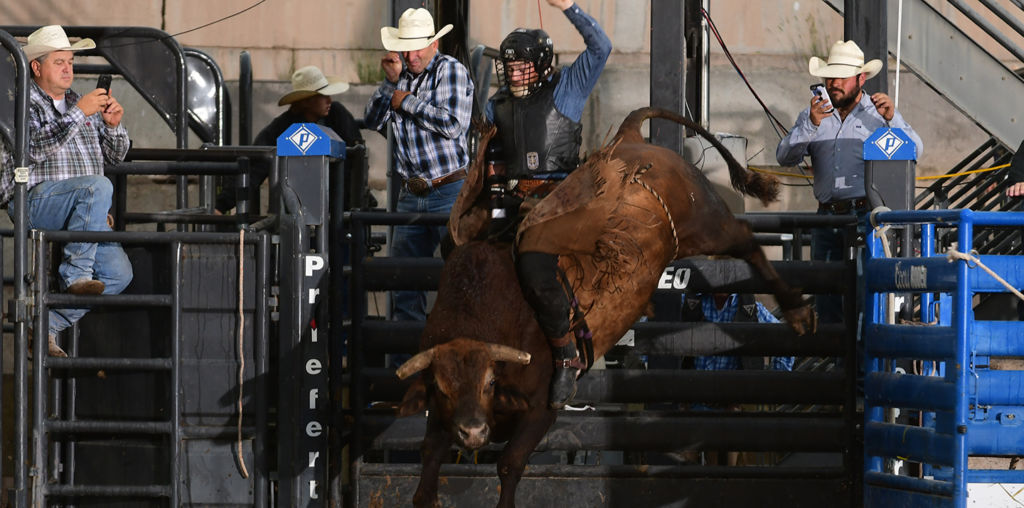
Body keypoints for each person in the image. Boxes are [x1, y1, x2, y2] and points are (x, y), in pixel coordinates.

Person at [483, 0, 611, 408]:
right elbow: (493, 156)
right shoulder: (497, 104)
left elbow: (600, 48)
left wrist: (569, 7)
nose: (515, 74)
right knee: (470, 252)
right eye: (510, 67)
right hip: (514, 198)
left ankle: (565, 354)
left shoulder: (569, 87)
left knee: (534, 264)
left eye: (522, 66)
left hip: (563, 196)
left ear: (541, 66)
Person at [776, 40, 922, 323]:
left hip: (864, 215)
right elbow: (784, 156)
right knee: (825, 293)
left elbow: (914, 150)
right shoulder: (812, 115)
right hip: (826, 216)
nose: (833, 83)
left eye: (841, 77)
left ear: (860, 78)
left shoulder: (879, 115)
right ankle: (836, 361)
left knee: (864, 291)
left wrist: (894, 119)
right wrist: (810, 125)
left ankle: (860, 358)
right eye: (830, 77)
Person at [14, 25, 133, 356]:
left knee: (118, 275)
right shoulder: (22, 103)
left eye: (70, 61)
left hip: (81, 201)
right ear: (36, 67)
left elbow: (115, 155)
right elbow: (32, 149)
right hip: (34, 200)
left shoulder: (78, 102)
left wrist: (113, 126)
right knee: (96, 187)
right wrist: (81, 113)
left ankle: (47, 325)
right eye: (59, 62)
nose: (68, 69)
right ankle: (75, 274)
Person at [364, 8, 474, 322]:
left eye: (417, 48)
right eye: (406, 48)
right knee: (403, 283)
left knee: (458, 279)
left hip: (448, 189)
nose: (411, 55)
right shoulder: (402, 78)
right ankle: (406, 363)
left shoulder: (450, 71)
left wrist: (406, 101)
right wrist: (390, 85)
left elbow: (454, 124)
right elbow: (373, 120)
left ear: (433, 45)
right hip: (413, 193)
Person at [215, 65, 365, 214]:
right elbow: (257, 164)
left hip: (339, 208)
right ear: (306, 101)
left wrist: (355, 201)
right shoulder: (284, 126)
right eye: (322, 95)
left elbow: (356, 160)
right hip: (301, 209)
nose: (329, 100)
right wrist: (222, 205)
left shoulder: (336, 115)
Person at [682, 292, 794, 466]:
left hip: (730, 404)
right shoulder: (691, 301)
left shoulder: (748, 307)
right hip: (694, 402)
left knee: (724, 467)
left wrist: (773, 381)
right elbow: (653, 327)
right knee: (692, 464)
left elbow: (784, 338)